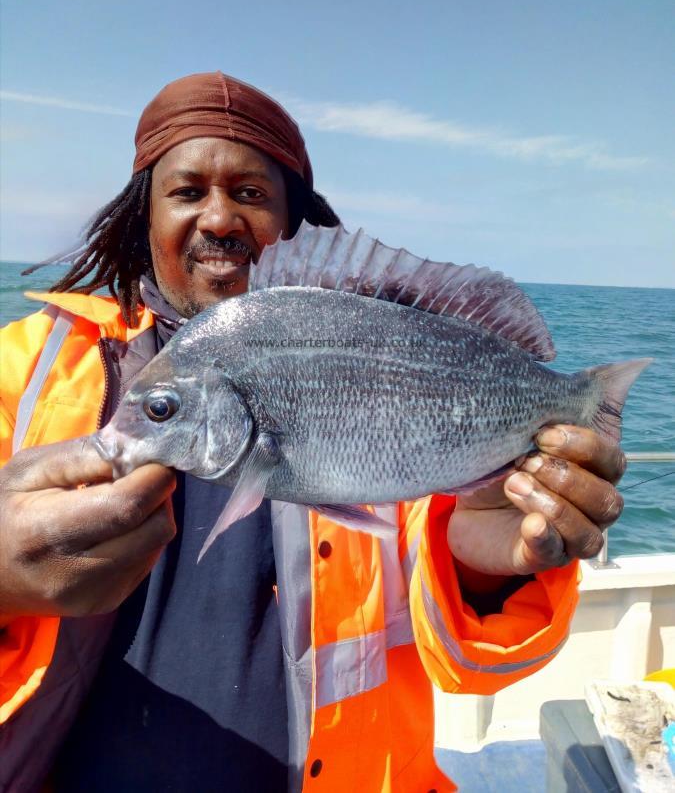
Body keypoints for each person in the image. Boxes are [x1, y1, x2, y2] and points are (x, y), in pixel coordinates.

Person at [0, 72, 625, 793]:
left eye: (250, 193)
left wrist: (490, 565)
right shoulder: (27, 369)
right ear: (144, 212)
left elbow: (476, 666)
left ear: (293, 221)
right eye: (186, 191)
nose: (218, 217)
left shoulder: (378, 370)